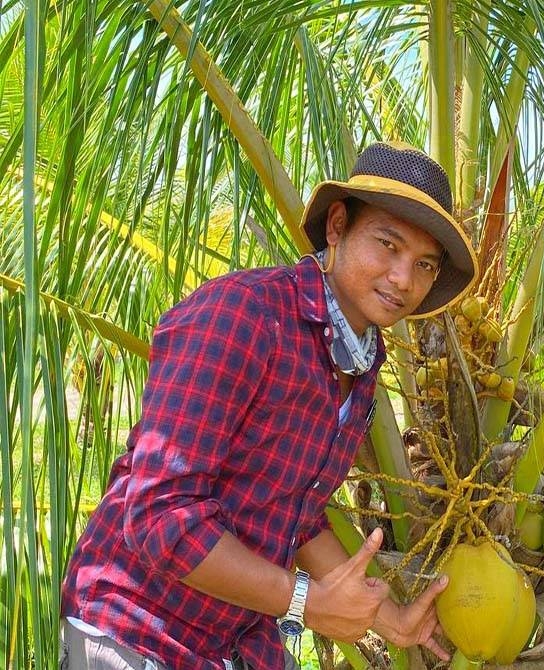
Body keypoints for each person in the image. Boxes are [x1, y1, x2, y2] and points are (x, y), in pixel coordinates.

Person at [60, 142, 479, 669]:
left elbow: (296, 515)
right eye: (388, 245)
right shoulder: (243, 316)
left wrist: (389, 619)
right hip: (135, 630)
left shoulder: (360, 363)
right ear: (337, 227)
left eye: (423, 264)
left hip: (230, 642)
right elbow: (159, 515)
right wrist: (307, 603)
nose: (403, 279)